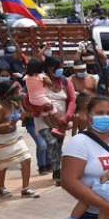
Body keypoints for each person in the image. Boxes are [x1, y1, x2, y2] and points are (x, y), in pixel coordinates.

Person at [0, 81, 36, 198]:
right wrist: (10, 123)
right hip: (1, 140)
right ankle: (2, 188)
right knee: (2, 165)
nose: (19, 93)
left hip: (14, 136)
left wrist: (26, 114)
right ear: (8, 93)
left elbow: (24, 116)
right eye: (16, 91)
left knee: (26, 158)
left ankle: (25, 188)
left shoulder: (14, 104)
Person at [35, 58, 77, 186]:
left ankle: (56, 169)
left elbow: (72, 100)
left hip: (61, 121)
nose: (60, 70)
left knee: (58, 145)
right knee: (52, 142)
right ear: (49, 68)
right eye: (57, 67)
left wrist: (67, 116)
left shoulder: (65, 81)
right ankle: (58, 172)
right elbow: (32, 98)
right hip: (44, 119)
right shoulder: (39, 81)